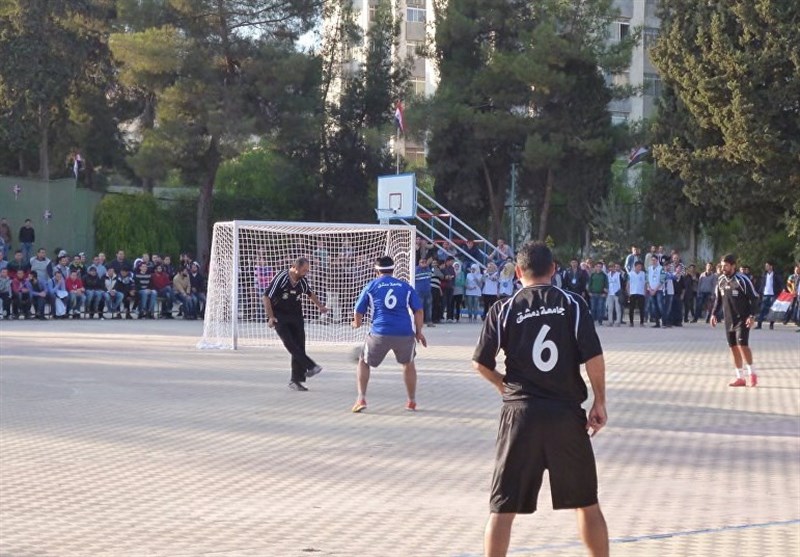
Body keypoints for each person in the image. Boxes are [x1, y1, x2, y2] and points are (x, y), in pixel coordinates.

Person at [472, 241, 608, 557]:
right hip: (565, 414)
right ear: (553, 270)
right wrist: (599, 401)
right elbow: (594, 358)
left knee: (502, 509)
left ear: (518, 272)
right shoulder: (573, 305)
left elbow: (480, 362)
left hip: (520, 414)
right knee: (587, 504)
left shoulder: (503, 309)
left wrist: (501, 385)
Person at [350, 256, 427, 413]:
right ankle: (411, 401)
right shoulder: (405, 286)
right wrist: (419, 332)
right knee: (408, 363)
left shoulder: (371, 286)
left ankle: (361, 398)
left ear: (376, 271)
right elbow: (418, 310)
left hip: (380, 332)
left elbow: (358, 310)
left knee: (363, 362)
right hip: (404, 333)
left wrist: (356, 324)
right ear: (393, 270)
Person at [263, 257, 328, 392]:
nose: (306, 273)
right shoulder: (282, 277)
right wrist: (271, 317)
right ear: (295, 268)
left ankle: (296, 380)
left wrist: (320, 306)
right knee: (290, 344)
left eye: (307, 271)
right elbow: (266, 296)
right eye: (304, 270)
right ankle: (311, 366)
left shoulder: (302, 281)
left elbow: (310, 294)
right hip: (279, 317)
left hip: (296, 316)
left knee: (300, 346)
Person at [711, 254, 760, 387]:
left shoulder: (742, 280)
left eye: (726, 265)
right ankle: (740, 378)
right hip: (728, 320)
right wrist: (713, 314)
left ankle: (752, 373)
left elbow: (755, 298)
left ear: (733, 266)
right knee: (733, 348)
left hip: (742, 320)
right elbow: (718, 300)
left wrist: (752, 316)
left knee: (742, 346)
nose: (723, 268)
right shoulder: (720, 281)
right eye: (721, 266)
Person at [755, 261, 781, 330]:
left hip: (773, 294)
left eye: (767, 265)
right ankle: (759, 324)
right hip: (765, 294)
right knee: (762, 309)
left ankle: (771, 324)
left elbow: (780, 283)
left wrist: (781, 290)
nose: (766, 267)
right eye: (765, 265)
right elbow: (762, 284)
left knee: (772, 310)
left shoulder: (775, 275)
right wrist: (759, 292)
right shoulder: (764, 274)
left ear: (771, 266)